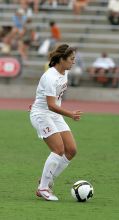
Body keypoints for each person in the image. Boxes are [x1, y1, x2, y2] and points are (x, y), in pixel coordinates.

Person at [30, 44, 83, 201]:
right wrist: (70, 114)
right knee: (58, 149)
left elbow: (55, 102)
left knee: (71, 150)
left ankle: (47, 180)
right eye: (72, 59)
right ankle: (43, 188)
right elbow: (50, 105)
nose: (74, 62)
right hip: (42, 114)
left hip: (54, 114)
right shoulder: (50, 77)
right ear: (62, 59)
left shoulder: (64, 72)